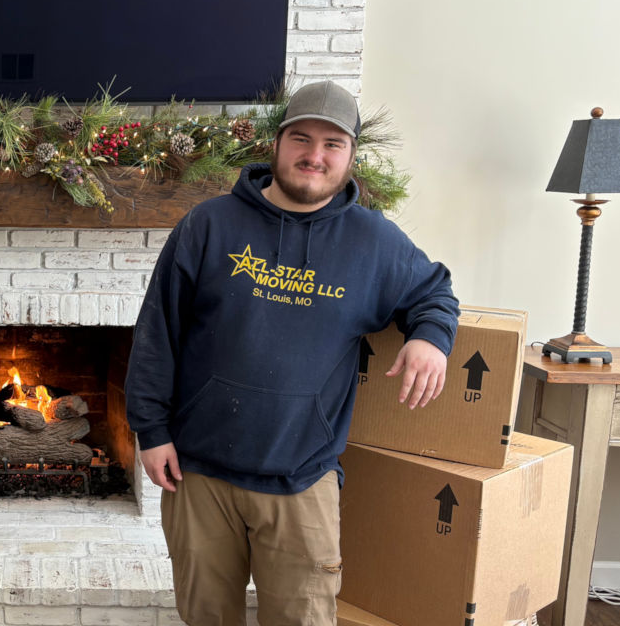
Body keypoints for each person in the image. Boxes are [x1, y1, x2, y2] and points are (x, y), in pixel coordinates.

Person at [125, 80, 459, 626]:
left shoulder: (374, 242)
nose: (314, 155)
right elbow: (156, 332)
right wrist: (151, 430)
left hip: (302, 477)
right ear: (276, 144)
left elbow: (435, 292)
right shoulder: (209, 225)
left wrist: (429, 338)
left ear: (351, 157)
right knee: (205, 618)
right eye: (301, 138)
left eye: (333, 144)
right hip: (197, 474)